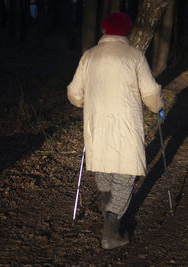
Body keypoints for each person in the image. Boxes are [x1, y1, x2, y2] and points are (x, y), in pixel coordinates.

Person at [67, 13, 164, 249]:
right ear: (127, 32)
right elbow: (150, 93)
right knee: (123, 175)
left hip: (97, 124)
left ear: (104, 30)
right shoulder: (135, 56)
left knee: (104, 166)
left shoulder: (89, 56)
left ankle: (107, 209)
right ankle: (110, 231)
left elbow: (74, 93)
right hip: (126, 126)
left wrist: (82, 102)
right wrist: (158, 106)